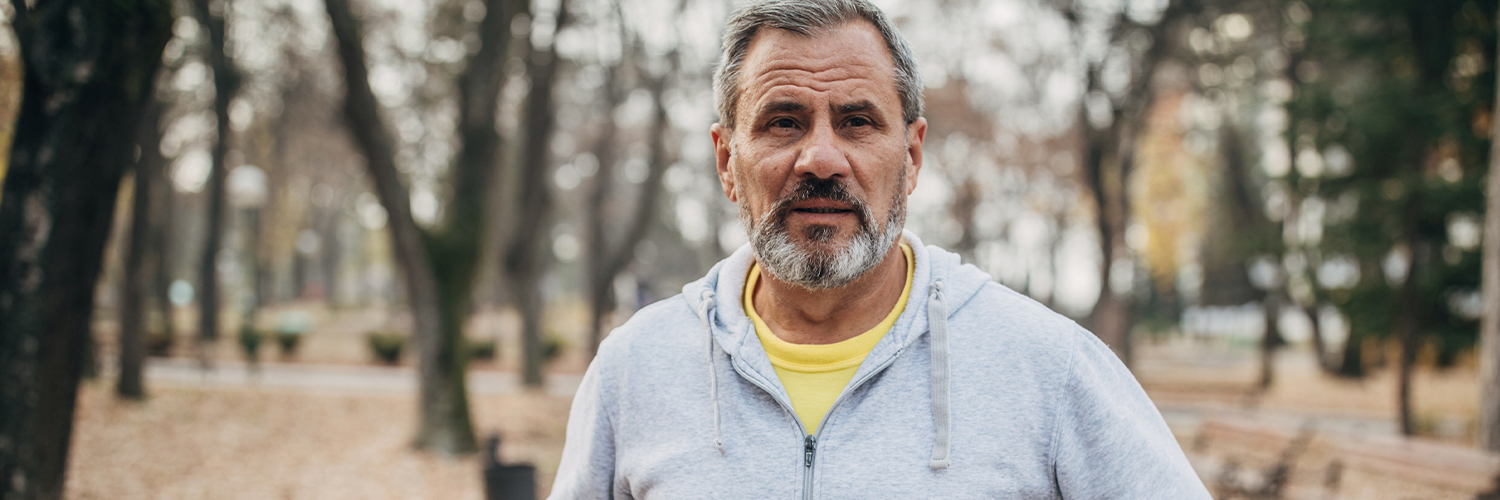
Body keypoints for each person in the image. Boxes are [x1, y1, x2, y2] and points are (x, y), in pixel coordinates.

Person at [548, 0, 1211, 497]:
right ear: (726, 160)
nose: (821, 158)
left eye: (857, 122)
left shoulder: (1048, 368)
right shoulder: (634, 371)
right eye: (784, 122)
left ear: (912, 156)